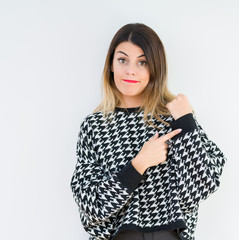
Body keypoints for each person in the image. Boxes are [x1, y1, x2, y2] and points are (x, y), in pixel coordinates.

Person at [70, 23, 227, 240]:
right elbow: (92, 206)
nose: (131, 70)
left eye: (142, 62)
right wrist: (139, 164)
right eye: (122, 60)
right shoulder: (95, 126)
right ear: (111, 65)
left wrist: (186, 121)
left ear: (155, 67)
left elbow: (202, 187)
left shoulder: (175, 117)